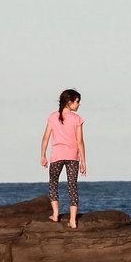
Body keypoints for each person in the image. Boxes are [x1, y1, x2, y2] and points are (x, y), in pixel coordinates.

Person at [40, 89, 86, 229]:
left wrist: (43, 155)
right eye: (77, 102)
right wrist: (83, 161)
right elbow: (80, 141)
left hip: (57, 156)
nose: (79, 105)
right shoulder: (76, 119)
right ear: (69, 102)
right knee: (72, 186)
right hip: (73, 156)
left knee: (53, 183)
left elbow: (45, 138)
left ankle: (55, 214)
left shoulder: (52, 117)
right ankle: (73, 220)